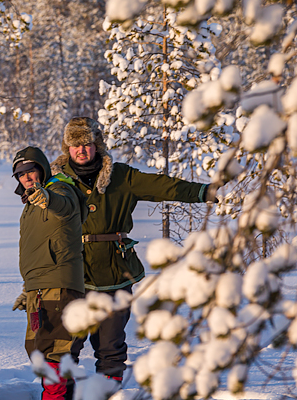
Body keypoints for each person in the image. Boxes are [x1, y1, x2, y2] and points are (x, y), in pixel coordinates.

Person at [51, 117, 218, 383]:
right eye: (75, 145)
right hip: (72, 275)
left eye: (87, 144)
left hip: (115, 273)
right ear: (66, 148)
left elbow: (163, 186)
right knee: (65, 346)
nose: (81, 150)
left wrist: (202, 192)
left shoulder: (121, 177)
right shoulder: (56, 183)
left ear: (98, 145)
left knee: (110, 347)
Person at [11, 145, 88, 400]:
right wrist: (27, 289)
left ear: (42, 169)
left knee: (51, 349)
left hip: (58, 282)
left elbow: (66, 208)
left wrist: (47, 198)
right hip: (40, 286)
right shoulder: (29, 206)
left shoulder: (59, 189)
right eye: (21, 174)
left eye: (31, 171)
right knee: (47, 347)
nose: (27, 178)